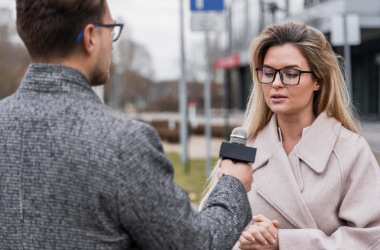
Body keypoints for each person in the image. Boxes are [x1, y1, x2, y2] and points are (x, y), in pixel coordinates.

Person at [0, 0, 255, 249]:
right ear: (90, 37)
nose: (112, 46)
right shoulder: (123, 142)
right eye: (111, 30)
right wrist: (233, 183)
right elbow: (199, 243)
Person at [201, 22, 380, 250]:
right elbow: (207, 233)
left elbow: (372, 239)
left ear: (318, 80)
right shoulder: (243, 149)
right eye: (268, 72)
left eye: (290, 73)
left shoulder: (350, 150)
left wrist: (283, 242)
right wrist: (246, 239)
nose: (276, 83)